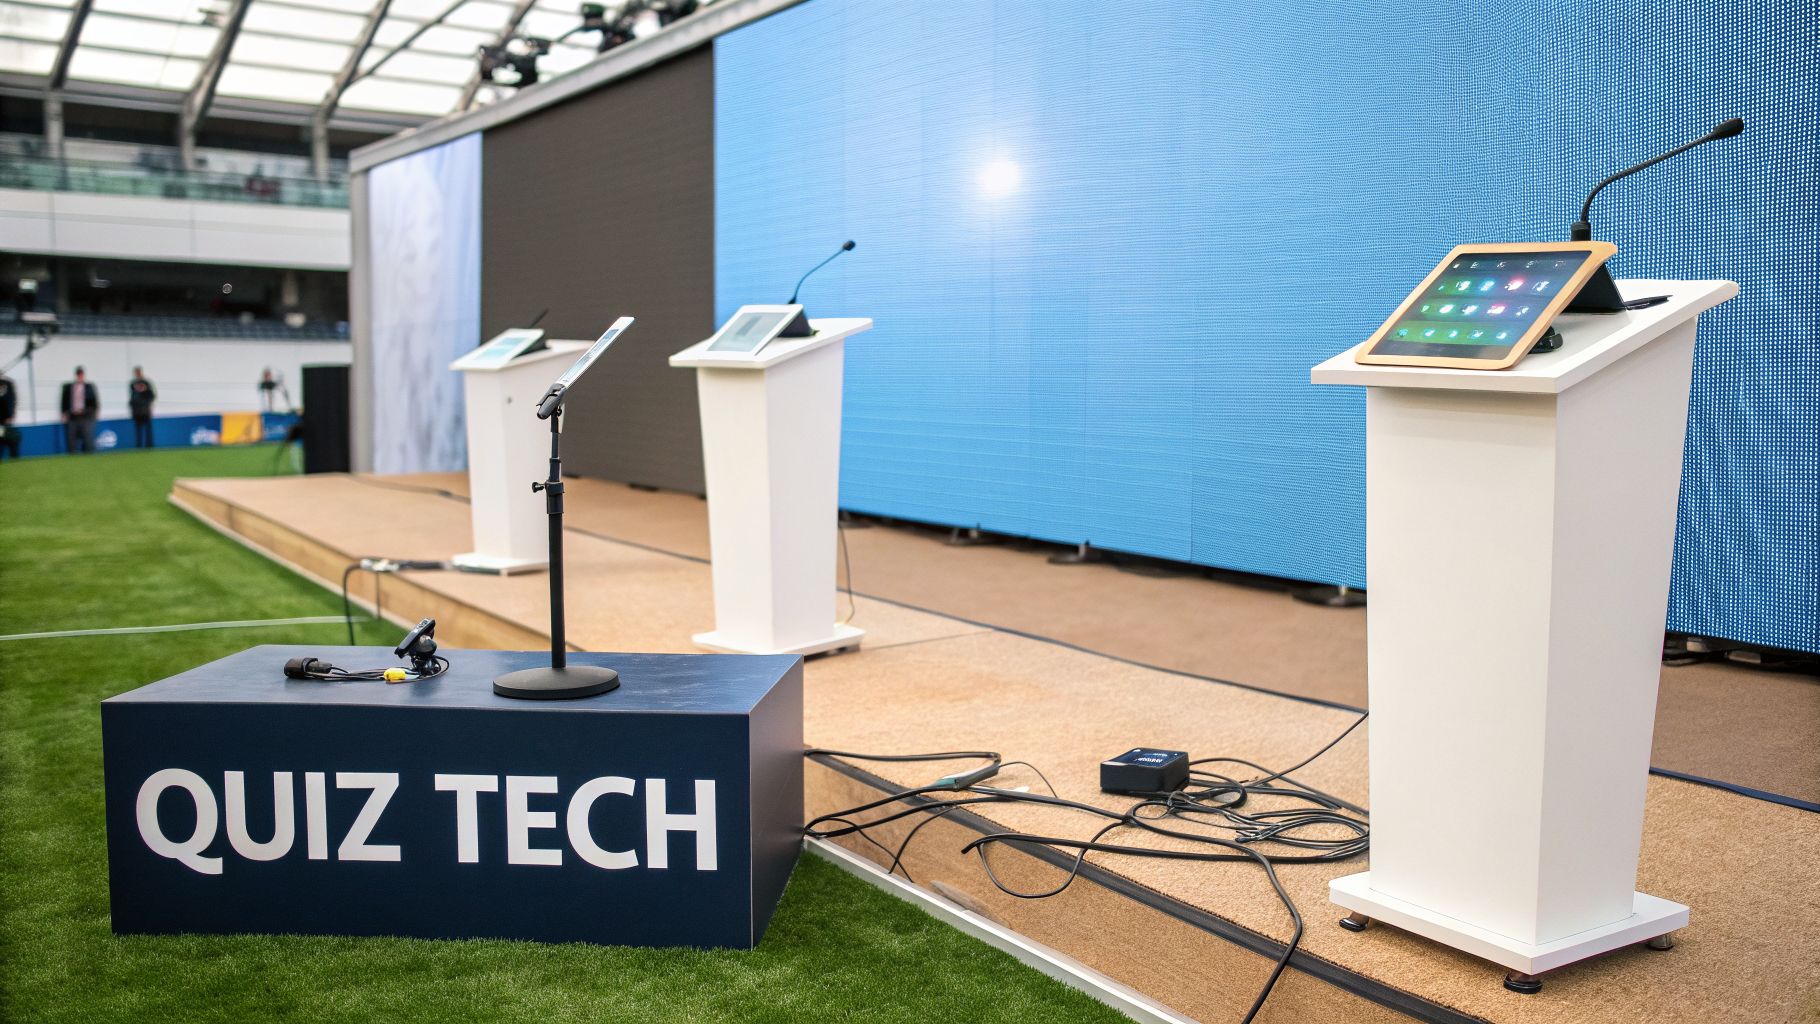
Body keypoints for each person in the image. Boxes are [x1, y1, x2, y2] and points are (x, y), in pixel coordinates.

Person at [61, 366, 99, 454]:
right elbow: (64, 401)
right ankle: (72, 454)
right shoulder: (69, 387)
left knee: (88, 438)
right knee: (71, 438)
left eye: (81, 375)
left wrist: (95, 412)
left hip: (86, 416)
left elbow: (94, 401)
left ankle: (88, 454)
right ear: (76, 375)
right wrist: (64, 413)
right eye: (78, 375)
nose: (80, 377)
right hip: (73, 416)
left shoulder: (89, 387)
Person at [127, 366, 156, 448]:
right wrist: (131, 406)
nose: (137, 374)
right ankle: (139, 447)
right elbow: (132, 396)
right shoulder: (132, 384)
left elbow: (152, 396)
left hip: (146, 410)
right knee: (138, 430)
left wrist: (147, 404)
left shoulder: (147, 383)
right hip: (136, 411)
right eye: (136, 372)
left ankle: (149, 446)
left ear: (141, 372)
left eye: (138, 372)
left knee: (148, 430)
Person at [0, 373, 18, 461]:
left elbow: (12, 401)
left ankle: (14, 457)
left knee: (11, 438)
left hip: (7, 419)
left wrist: (11, 415)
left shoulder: (8, 384)